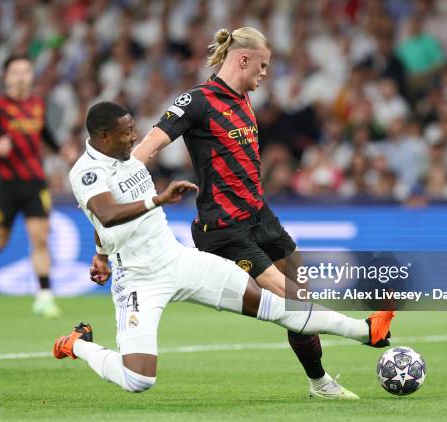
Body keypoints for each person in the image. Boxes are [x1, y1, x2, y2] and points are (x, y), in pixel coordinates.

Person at [54, 101, 394, 398]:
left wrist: (100, 253)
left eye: (133, 129)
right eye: (127, 132)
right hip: (139, 280)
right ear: (103, 138)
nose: (134, 137)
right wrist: (157, 199)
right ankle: (78, 344)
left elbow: (102, 222)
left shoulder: (127, 156)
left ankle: (366, 330)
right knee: (138, 379)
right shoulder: (87, 172)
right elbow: (106, 213)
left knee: (275, 306)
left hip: (179, 260)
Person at [131, 27, 356, 398]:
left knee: (300, 293)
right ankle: (339, 360)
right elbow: (150, 145)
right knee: (294, 301)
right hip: (225, 225)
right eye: (263, 66)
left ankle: (318, 382)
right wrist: (120, 181)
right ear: (243, 59)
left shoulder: (242, 99)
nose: (265, 74)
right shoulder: (197, 100)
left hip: (259, 215)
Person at [0, 54, 61, 318]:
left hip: (35, 183)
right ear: (6, 76)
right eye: (16, 71)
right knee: (0, 238)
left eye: (26, 71)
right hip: (7, 184)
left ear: (31, 75)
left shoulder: (38, 104)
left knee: (40, 238)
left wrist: (63, 151)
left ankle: (44, 296)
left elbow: (46, 136)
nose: (21, 76)